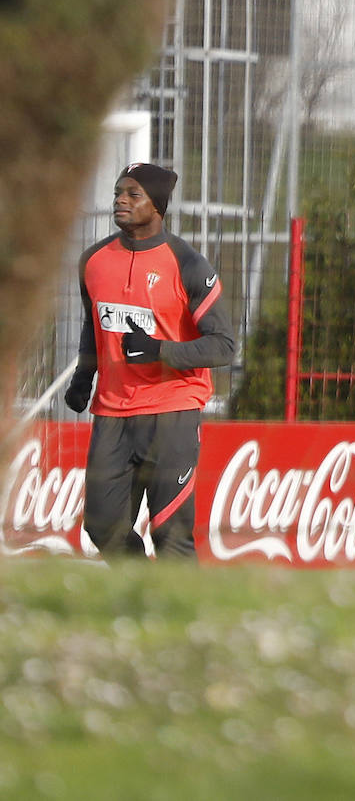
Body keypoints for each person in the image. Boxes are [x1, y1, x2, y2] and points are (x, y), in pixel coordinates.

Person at [63, 163, 235, 559]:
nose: (120, 200)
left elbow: (224, 346)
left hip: (172, 413)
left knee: (171, 534)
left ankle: (174, 600)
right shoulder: (93, 261)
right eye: (117, 193)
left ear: (156, 205)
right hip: (112, 415)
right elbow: (94, 325)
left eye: (132, 194)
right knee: (102, 527)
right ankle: (144, 590)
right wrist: (83, 377)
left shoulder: (188, 264)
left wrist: (161, 350)